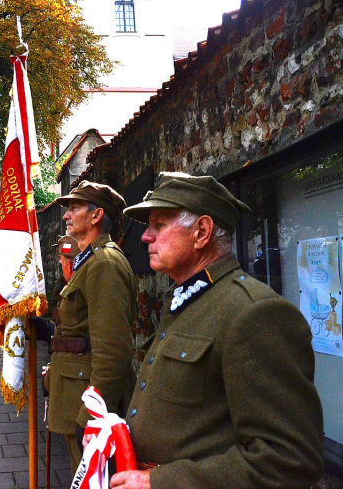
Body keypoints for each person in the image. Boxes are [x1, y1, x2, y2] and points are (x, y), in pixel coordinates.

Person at [109, 172, 323, 489]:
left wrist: (160, 481)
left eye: (160, 224)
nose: (146, 237)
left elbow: (289, 458)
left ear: (202, 232)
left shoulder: (254, 312)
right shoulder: (188, 298)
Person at [47, 181, 137, 472]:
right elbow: (80, 329)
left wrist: (90, 417)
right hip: (75, 392)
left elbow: (113, 353)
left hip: (87, 402)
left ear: (96, 215)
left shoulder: (104, 264)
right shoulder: (87, 261)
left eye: (73, 207)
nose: (65, 215)